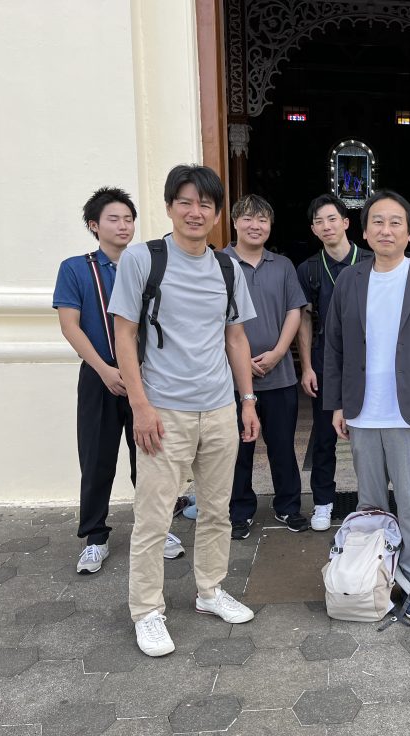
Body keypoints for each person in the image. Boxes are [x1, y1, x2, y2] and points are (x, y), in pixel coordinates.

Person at [109, 164, 260, 656]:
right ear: (170, 207)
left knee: (217, 510)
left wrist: (247, 401)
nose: (196, 212)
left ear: (217, 215)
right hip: (164, 411)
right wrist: (140, 405)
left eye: (206, 205)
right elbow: (124, 335)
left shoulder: (227, 268)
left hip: (218, 408)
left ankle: (210, 591)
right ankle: (146, 611)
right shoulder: (142, 259)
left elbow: (235, 337)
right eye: (186, 202)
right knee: (154, 518)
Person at [323, 189, 410, 620]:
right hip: (362, 410)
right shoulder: (350, 280)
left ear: (409, 233)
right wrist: (337, 404)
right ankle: (373, 575)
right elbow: (334, 347)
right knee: (369, 502)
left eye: (396, 222)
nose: (386, 229)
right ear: (364, 232)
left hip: (408, 410)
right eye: (377, 221)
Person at [53, 187, 184, 575]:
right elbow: (70, 326)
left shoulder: (146, 264)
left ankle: (157, 529)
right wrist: (103, 369)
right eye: (113, 219)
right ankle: (95, 537)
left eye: (129, 219)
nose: (123, 226)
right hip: (100, 374)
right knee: (96, 457)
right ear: (94, 225)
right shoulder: (76, 269)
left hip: (146, 374)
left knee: (150, 455)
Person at [224, 194, 308, 538]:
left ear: (270, 225)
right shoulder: (218, 263)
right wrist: (240, 359)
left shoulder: (283, 265)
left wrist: (278, 352)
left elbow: (294, 311)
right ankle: (239, 511)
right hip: (231, 378)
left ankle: (288, 506)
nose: (255, 225)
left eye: (262, 219)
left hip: (279, 374)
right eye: (247, 218)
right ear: (234, 222)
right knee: (237, 450)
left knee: (282, 446)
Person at [296, 194, 372, 531]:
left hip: (368, 363)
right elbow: (304, 319)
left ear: (346, 222)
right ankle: (323, 502)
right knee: (325, 436)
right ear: (313, 229)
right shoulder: (309, 269)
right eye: (319, 221)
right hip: (326, 362)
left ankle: (372, 501)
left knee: (369, 438)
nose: (326, 226)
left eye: (332, 219)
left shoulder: (370, 260)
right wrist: (307, 367)